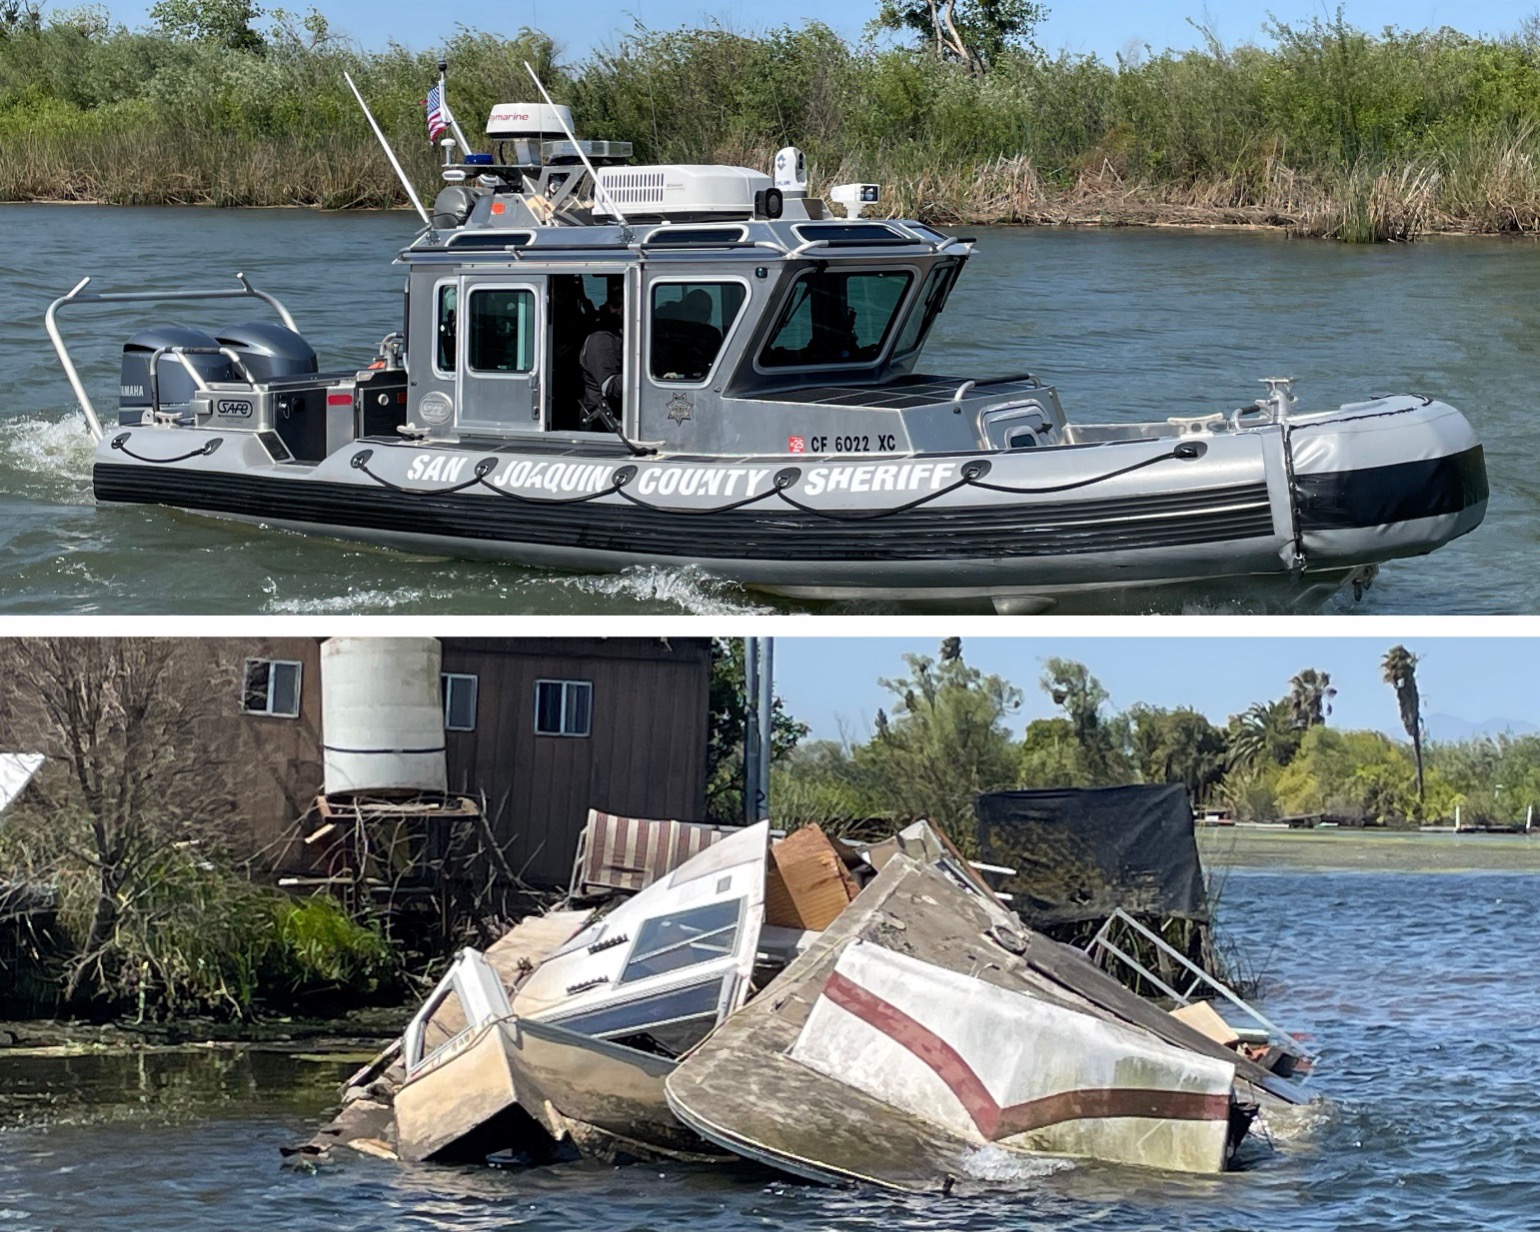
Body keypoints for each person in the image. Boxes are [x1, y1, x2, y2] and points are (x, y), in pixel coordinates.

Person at [580, 281, 624, 428]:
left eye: (626, 304)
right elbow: (609, 386)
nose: (621, 311)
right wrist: (646, 378)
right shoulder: (601, 339)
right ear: (607, 306)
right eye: (616, 305)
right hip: (602, 422)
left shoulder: (621, 335)